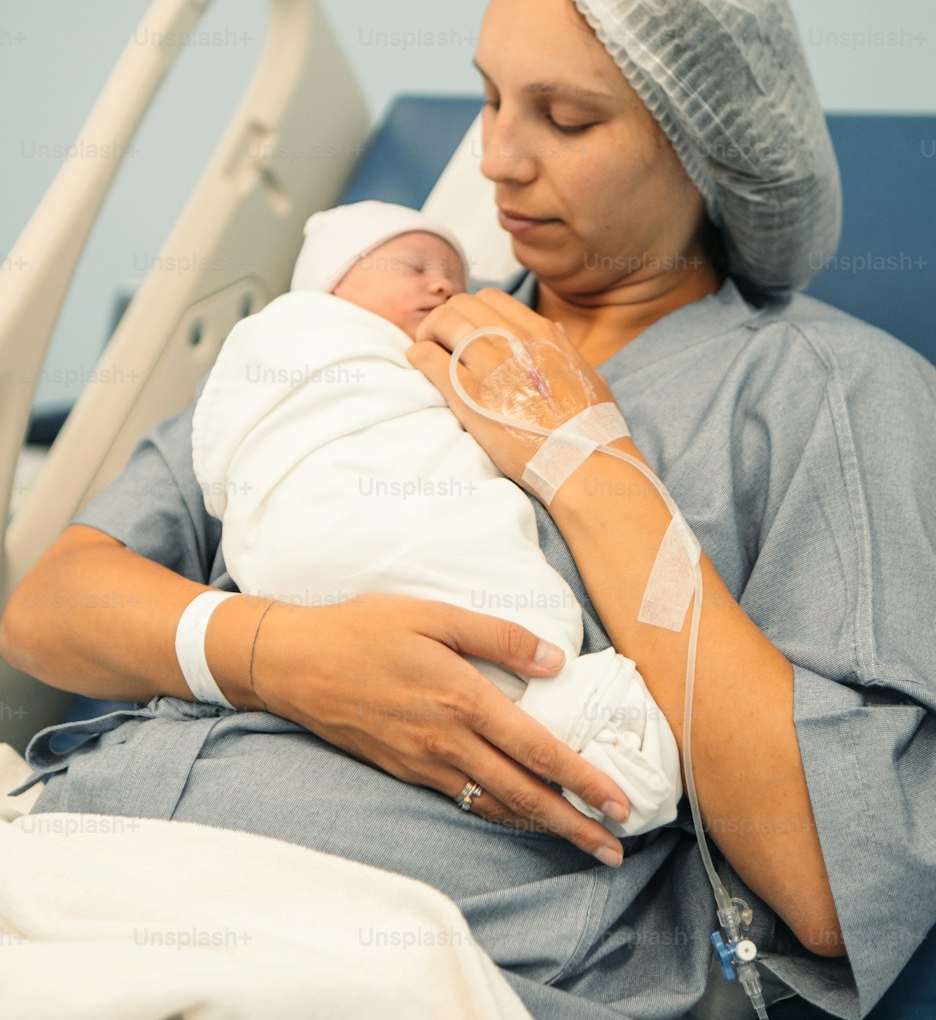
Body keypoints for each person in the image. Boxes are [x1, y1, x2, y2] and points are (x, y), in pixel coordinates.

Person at [0, 0, 936, 1020]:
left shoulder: (832, 393)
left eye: (565, 117)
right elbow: (53, 607)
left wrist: (581, 461)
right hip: (84, 874)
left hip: (390, 992)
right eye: (492, 97)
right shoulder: (381, 317)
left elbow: (832, 873)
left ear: (704, 145)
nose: (499, 158)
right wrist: (278, 652)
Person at [190, 197, 683, 838]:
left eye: (455, 275)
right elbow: (51, 609)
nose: (445, 284)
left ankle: (541, 719)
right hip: (308, 550)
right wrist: (265, 652)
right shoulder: (292, 343)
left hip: (313, 814)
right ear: (330, 284)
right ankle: (551, 716)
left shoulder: (484, 359)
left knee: (484, 604)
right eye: (414, 266)